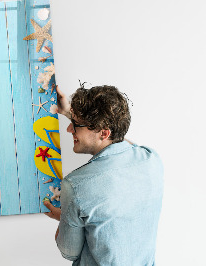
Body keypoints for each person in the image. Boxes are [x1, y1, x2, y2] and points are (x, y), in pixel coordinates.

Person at [44, 84, 163, 265]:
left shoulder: (75, 185)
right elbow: (120, 141)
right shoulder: (151, 159)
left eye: (76, 124)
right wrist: (69, 112)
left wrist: (67, 218)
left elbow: (69, 252)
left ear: (104, 132)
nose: (69, 129)